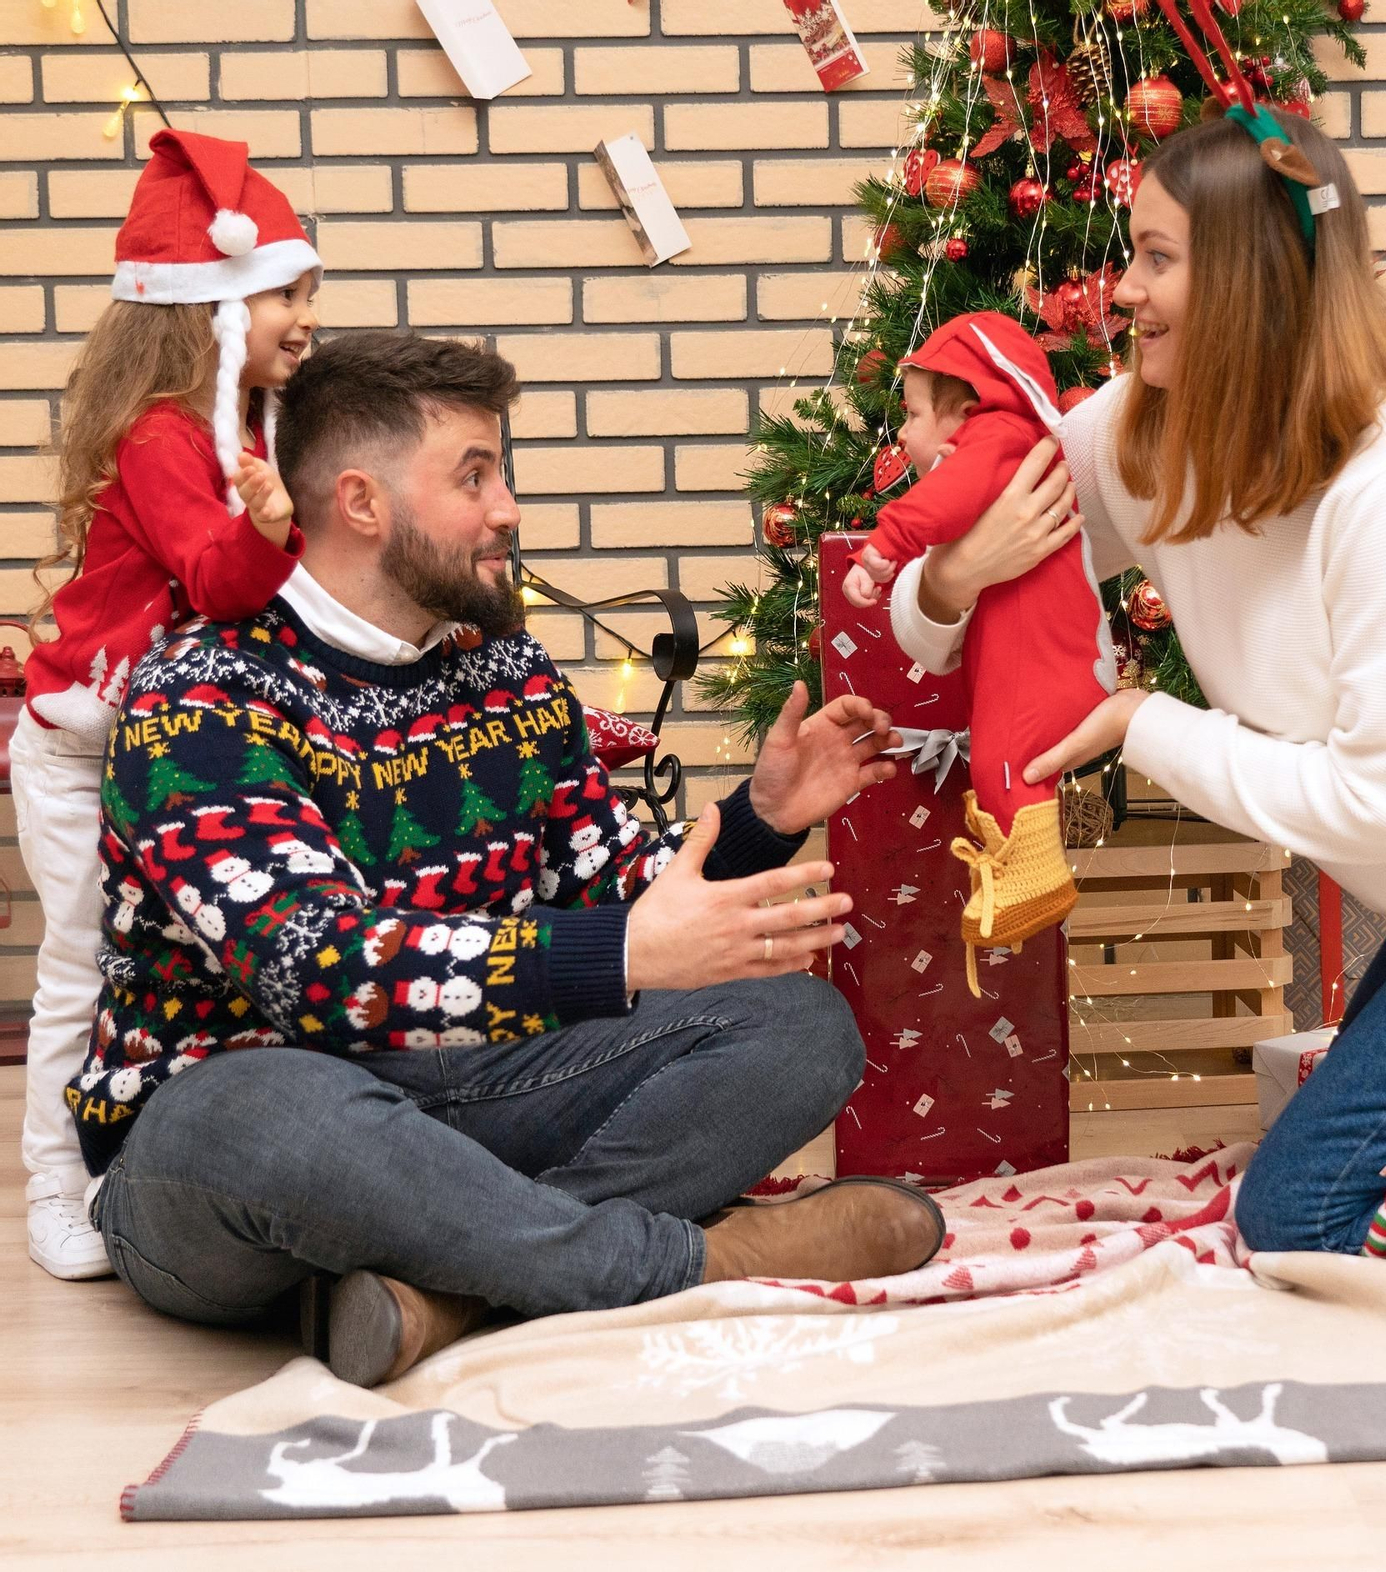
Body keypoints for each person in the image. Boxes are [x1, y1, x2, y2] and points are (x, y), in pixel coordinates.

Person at [76, 329, 944, 1388]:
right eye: (474, 476)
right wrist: (616, 956)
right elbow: (317, 971)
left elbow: (619, 893)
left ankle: (452, 1283)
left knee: (798, 1026)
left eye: (502, 472)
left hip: (475, 1088)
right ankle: (690, 1258)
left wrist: (759, 817)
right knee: (268, 1112)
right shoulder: (202, 688)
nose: (508, 510)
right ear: (362, 502)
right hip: (239, 1134)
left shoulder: (507, 674)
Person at [888, 108, 1386, 1280]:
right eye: (1132, 252)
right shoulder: (1140, 433)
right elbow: (929, 626)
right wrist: (962, 571)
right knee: (1382, 1131)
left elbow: (1380, 809)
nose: (1122, 290)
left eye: (1157, 257)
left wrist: (1137, 722)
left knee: (1303, 1208)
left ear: (1249, 277)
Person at [15, 129, 319, 1280]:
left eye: (306, 292)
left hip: (161, 749)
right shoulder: (162, 441)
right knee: (84, 962)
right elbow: (220, 579)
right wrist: (270, 528)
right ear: (216, 309)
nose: (305, 314)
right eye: (286, 292)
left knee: (164, 971)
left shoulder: (235, 437)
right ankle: (55, 1182)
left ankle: (136, 1164)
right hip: (83, 750)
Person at [842, 312, 1117, 994]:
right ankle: (1023, 873)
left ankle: (1029, 880)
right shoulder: (1020, 446)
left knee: (1002, 752)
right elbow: (936, 589)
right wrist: (953, 571)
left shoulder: (995, 441)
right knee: (1003, 748)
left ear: (965, 411)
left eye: (911, 415)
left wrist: (883, 545)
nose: (902, 435)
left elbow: (940, 503)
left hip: (1050, 663)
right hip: (1049, 655)